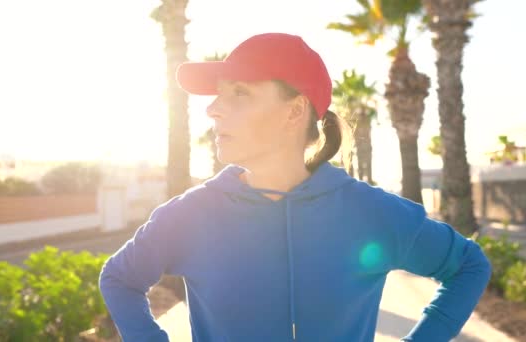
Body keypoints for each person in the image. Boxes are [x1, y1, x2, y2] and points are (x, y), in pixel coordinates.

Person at [99, 32, 492, 342]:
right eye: (220, 94)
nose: (213, 108)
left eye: (240, 92)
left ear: (294, 111)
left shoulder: (370, 212)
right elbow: (119, 278)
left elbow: (470, 266)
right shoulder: (189, 215)